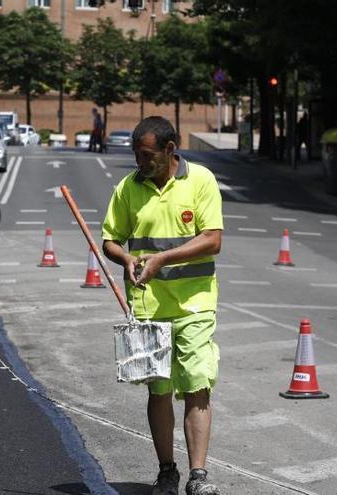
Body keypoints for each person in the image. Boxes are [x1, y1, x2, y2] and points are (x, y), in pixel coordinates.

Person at [101, 116, 223, 495]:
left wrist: (161, 260)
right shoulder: (128, 188)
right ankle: (167, 471)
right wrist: (125, 259)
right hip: (148, 309)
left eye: (147, 155)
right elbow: (110, 239)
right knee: (159, 391)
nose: (141, 162)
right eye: (137, 155)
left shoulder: (200, 180)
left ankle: (198, 477)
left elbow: (212, 240)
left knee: (197, 384)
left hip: (194, 305)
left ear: (171, 149)